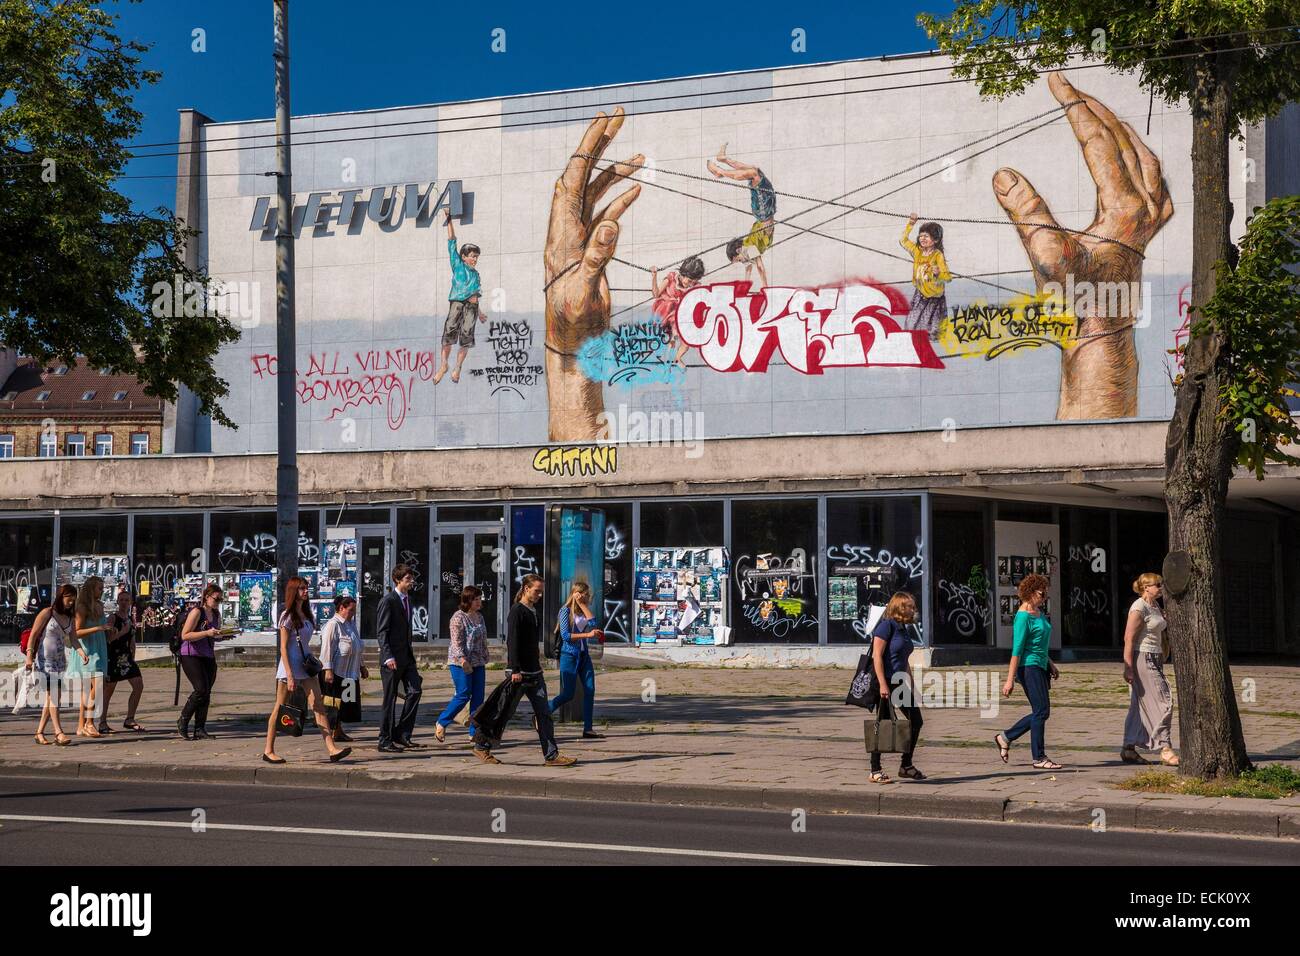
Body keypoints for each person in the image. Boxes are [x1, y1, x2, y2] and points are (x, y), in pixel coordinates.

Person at [471, 574, 576, 766]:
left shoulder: (532, 610)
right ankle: (481, 746)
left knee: (544, 714)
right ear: (526, 589)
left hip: (535, 673)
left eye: (541, 592)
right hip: (519, 674)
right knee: (503, 711)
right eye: (537, 591)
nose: (539, 595)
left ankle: (551, 756)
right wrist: (514, 669)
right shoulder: (517, 611)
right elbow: (513, 642)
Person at [263, 576, 352, 764]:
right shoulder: (287, 616)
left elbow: (304, 642)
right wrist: (288, 673)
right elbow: (283, 648)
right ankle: (268, 750)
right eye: (302, 588)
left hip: (306, 666)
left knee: (318, 705)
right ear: (294, 591)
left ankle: (331, 748)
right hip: (290, 667)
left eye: (306, 588)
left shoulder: (307, 614)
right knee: (279, 707)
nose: (305, 591)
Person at [995, 573, 1062, 770]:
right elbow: (1017, 650)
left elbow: (1039, 644)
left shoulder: (1038, 613)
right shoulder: (1023, 617)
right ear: (1031, 592)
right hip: (1028, 667)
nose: (1044, 597)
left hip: (1040, 665)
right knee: (1041, 711)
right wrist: (1009, 680)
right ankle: (1039, 757)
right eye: (1042, 594)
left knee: (1040, 712)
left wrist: (1051, 663)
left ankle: (1005, 737)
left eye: (1046, 594)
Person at [867, 591, 925, 783]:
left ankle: (906, 765)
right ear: (900, 607)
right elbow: (877, 656)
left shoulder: (902, 628)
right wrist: (883, 683)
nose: (913, 610)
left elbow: (903, 659)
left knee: (916, 720)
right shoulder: (886, 626)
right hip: (885, 683)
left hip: (898, 682)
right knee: (883, 725)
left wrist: (912, 684)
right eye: (910, 606)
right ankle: (875, 770)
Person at [1122, 573, 1179, 766]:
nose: (1161, 588)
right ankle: (1165, 747)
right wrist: (1128, 667)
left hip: (1156, 657)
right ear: (1146, 587)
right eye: (1157, 585)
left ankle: (1129, 748)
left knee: (1138, 705)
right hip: (1142, 657)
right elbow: (1129, 638)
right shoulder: (1139, 607)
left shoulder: (1155, 606)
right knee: (1165, 701)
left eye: (1162, 584)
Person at [23, 585, 84, 746]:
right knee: (55, 696)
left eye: (73, 599)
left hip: (59, 662)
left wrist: (82, 653)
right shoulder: (47, 613)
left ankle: (39, 732)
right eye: (68, 598)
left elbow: (74, 640)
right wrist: (29, 656)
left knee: (51, 699)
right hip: (45, 662)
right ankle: (59, 733)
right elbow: (34, 635)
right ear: (60, 597)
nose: (71, 602)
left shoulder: (70, 618)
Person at [709, 145, 775, 289]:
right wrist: (748, 283)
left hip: (764, 214)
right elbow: (751, 266)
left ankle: (721, 171)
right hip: (764, 215)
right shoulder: (748, 250)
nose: (740, 261)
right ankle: (724, 161)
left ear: (738, 251)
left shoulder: (748, 248)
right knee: (755, 172)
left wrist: (764, 286)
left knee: (754, 173)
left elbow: (759, 267)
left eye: (737, 259)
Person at [547, 581, 605, 739]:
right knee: (568, 693)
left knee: (590, 690)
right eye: (585, 594)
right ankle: (543, 712)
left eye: (587, 594)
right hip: (569, 655)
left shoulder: (583, 611)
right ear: (576, 593)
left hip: (583, 655)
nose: (587, 596)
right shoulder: (565, 611)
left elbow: (593, 625)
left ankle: (588, 729)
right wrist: (587, 635)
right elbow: (566, 636)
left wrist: (583, 605)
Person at [376, 564, 423, 752]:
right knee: (390, 699)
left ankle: (402, 733)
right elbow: (382, 631)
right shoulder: (388, 601)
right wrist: (387, 656)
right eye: (407, 579)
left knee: (415, 691)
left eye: (412, 579)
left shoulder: (408, 601)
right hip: (392, 659)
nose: (411, 582)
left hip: (406, 657)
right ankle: (384, 739)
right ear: (397, 580)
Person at [434, 212, 485, 384]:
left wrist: (480, 312)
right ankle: (443, 365)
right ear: (464, 257)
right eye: (472, 256)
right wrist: (449, 220)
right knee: (448, 334)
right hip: (456, 304)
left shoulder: (476, 275)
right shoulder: (457, 264)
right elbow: (452, 241)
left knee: (466, 338)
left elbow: (476, 296)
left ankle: (457, 368)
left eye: (476, 257)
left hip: (471, 308)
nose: (475, 259)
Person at [178, 583, 234, 739]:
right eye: (216, 599)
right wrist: (207, 632)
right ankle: (183, 720)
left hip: (208, 655)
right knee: (200, 689)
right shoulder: (197, 612)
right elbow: (185, 635)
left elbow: (213, 635)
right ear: (206, 597)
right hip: (191, 654)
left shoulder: (216, 615)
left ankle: (199, 728)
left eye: (220, 600)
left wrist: (224, 635)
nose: (218, 602)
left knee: (207, 692)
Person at [435, 584, 489, 743]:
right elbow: (456, 643)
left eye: (479, 599)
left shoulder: (480, 616)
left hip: (478, 662)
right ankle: (442, 721)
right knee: (464, 694)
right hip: (460, 663)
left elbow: (483, 639)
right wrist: (463, 660)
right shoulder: (458, 617)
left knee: (478, 698)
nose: (479, 602)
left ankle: (474, 732)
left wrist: (485, 656)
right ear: (467, 600)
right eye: (475, 599)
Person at [66, 575, 111, 738]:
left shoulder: (99, 605)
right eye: (100, 588)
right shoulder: (82, 607)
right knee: (98, 686)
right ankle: (89, 723)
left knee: (88, 690)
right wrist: (98, 628)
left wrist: (109, 631)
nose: (102, 591)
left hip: (99, 648)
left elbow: (102, 627)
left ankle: (80, 726)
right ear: (91, 589)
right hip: (87, 650)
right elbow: (76, 632)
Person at [319, 594, 367, 743]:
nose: (353, 614)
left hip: (351, 673)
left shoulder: (351, 625)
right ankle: (333, 731)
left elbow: (357, 646)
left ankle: (339, 731)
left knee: (346, 705)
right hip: (336, 672)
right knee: (334, 704)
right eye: (351, 610)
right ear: (341, 608)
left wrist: (362, 666)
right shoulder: (333, 625)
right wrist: (328, 669)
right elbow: (326, 648)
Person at [101, 587, 146, 732]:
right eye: (121, 600)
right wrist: (122, 632)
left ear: (131, 602)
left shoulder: (130, 619)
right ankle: (102, 722)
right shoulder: (113, 618)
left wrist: (133, 653)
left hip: (127, 657)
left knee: (138, 685)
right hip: (114, 656)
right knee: (109, 690)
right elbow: (108, 639)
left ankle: (130, 718)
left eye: (127, 600)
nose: (124, 603)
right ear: (117, 602)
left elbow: (132, 638)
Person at [900, 215, 952, 339]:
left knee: (935, 330)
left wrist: (938, 272)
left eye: (926, 236)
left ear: (935, 240)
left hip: (935, 298)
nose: (922, 238)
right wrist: (911, 224)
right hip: (920, 294)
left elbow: (948, 277)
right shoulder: (917, 251)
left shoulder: (937, 255)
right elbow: (903, 241)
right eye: (921, 235)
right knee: (911, 324)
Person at [650, 256, 706, 366]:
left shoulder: (694, 286)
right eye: (689, 281)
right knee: (672, 338)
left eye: (693, 282)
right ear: (683, 274)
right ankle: (668, 358)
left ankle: (676, 358)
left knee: (686, 344)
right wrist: (654, 277)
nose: (690, 284)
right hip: (666, 311)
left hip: (682, 316)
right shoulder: (671, 278)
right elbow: (656, 294)